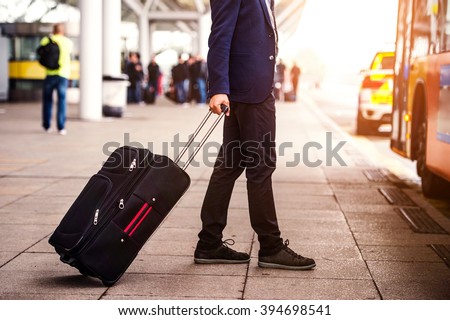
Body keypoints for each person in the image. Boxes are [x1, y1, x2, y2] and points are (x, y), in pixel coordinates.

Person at [194, 0, 316, 270]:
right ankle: (271, 246)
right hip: (249, 92)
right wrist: (218, 88)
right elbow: (220, 35)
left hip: (249, 88)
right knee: (260, 166)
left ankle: (209, 242)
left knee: (229, 165)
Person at [40, 23, 73, 135]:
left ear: (53, 30)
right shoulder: (68, 42)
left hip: (49, 74)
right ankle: (61, 127)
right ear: (63, 31)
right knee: (61, 101)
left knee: (47, 100)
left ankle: (47, 126)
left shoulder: (47, 40)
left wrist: (50, 36)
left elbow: (41, 49)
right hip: (63, 75)